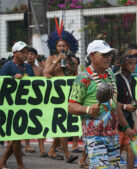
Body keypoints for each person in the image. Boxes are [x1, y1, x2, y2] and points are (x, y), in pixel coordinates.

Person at [68, 39, 135, 169]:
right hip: (94, 135)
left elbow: (113, 104)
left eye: (110, 54)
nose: (109, 58)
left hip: (113, 134)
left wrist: (126, 127)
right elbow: (71, 106)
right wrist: (87, 109)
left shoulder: (110, 74)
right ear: (92, 55)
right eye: (104, 55)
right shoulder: (82, 78)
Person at [43, 26, 79, 163]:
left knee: (66, 124)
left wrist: (70, 70)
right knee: (60, 124)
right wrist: (58, 60)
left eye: (64, 45)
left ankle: (52, 150)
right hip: (56, 97)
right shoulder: (51, 58)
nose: (62, 48)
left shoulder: (74, 61)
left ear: (68, 46)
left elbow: (76, 78)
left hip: (69, 96)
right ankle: (67, 154)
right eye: (59, 46)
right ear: (55, 47)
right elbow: (45, 73)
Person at [0, 41, 34, 169]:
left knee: (16, 137)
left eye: (27, 52)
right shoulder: (8, 66)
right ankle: (20, 165)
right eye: (23, 52)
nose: (26, 54)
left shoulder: (28, 67)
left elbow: (35, 84)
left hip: (24, 106)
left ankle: (3, 162)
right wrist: (13, 79)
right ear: (15, 53)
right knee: (16, 137)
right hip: (11, 107)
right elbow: (1, 83)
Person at [115, 53, 137, 169]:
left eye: (135, 63)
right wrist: (125, 107)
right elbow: (112, 102)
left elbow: (131, 97)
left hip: (130, 118)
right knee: (117, 150)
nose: (133, 66)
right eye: (130, 63)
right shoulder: (116, 80)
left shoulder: (132, 80)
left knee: (131, 147)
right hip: (118, 119)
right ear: (123, 65)